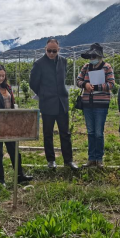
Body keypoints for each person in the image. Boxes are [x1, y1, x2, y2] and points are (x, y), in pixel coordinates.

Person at [30, 39, 78, 170]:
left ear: (59, 49)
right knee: (48, 133)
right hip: (47, 103)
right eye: (49, 50)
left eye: (54, 51)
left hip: (62, 103)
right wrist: (43, 93)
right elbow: (33, 83)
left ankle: (68, 160)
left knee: (65, 133)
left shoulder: (63, 61)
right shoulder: (39, 64)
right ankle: (51, 160)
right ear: (45, 49)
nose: (51, 53)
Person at [0, 64, 33, 186]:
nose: (1, 78)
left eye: (3, 76)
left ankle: (20, 175)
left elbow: (11, 105)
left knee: (14, 151)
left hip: (10, 125)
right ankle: (1, 179)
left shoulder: (7, 88)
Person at [76, 43, 116, 168]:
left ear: (100, 57)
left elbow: (111, 84)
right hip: (88, 103)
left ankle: (99, 158)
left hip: (101, 104)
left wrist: (97, 87)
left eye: (94, 56)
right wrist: (85, 85)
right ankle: (91, 158)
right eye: (91, 56)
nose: (92, 58)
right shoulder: (86, 67)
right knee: (91, 132)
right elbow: (78, 80)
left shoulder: (107, 67)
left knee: (98, 132)